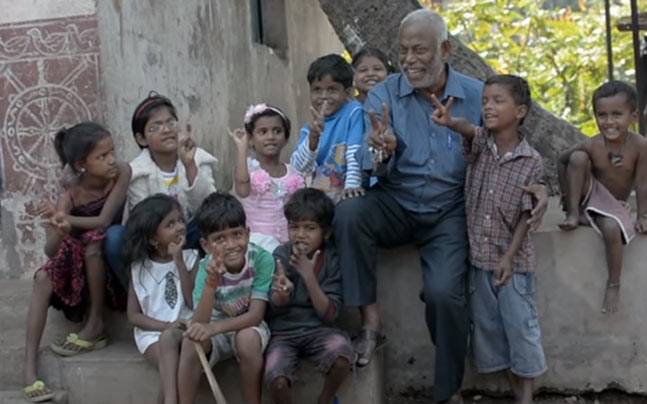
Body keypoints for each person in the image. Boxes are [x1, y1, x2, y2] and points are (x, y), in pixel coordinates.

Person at [334, 10, 548, 403]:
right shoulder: (384, 95)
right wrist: (385, 151)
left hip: (449, 211)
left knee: (444, 294)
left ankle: (447, 391)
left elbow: (515, 145)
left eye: (420, 50)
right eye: (403, 51)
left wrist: (539, 185)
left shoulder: (476, 94)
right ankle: (369, 323)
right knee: (349, 214)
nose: (409, 60)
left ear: (445, 49)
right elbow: (371, 162)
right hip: (396, 200)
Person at [432, 74, 547, 404]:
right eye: (485, 101)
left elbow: (527, 214)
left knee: (521, 331)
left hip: (512, 265)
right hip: (479, 261)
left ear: (521, 110)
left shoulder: (530, 160)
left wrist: (509, 257)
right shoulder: (483, 144)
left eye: (498, 101)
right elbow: (470, 129)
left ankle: (525, 399)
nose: (488, 106)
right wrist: (451, 122)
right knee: (492, 333)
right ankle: (516, 394)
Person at [23, 122, 129, 402]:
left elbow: (104, 221)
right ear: (82, 164)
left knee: (94, 241)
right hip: (75, 266)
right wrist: (59, 228)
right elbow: (50, 250)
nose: (111, 161)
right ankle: (29, 370)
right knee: (43, 277)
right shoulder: (69, 194)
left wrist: (66, 220)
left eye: (112, 152)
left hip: (107, 263)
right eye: (102, 156)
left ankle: (95, 324)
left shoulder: (121, 173)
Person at [104, 92, 217, 287]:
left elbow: (211, 207)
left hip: (190, 236)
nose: (166, 130)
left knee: (211, 219)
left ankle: (205, 286)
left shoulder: (198, 158)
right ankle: (141, 293)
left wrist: (190, 166)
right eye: (156, 127)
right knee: (114, 237)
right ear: (141, 139)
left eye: (171, 123)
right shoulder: (136, 173)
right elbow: (144, 221)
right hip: (153, 242)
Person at [558, 80, 647, 314]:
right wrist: (568, 201)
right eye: (602, 115)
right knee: (577, 158)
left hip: (614, 205)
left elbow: (642, 182)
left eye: (617, 114)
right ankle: (574, 215)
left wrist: (643, 215)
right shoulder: (593, 144)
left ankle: (613, 284)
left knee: (610, 228)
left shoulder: (640, 146)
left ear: (634, 116)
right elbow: (562, 160)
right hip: (590, 198)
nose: (608, 122)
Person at [178, 192, 274, 404]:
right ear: (205, 245)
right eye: (219, 239)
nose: (231, 245)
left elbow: (256, 315)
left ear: (247, 234)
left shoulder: (262, 259)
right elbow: (200, 322)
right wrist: (212, 283)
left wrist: (213, 329)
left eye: (236, 234)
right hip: (216, 333)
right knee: (191, 343)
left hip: (249, 328)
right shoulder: (205, 268)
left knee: (247, 339)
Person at [264, 188, 354, 404]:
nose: (300, 234)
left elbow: (330, 314)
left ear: (326, 232)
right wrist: (282, 294)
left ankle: (324, 400)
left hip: (319, 330)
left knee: (342, 355)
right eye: (294, 227)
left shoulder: (331, 258)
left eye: (309, 228)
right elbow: (273, 307)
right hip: (283, 334)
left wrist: (309, 277)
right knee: (276, 378)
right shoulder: (281, 255)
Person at [123, 194, 199, 404]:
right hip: (151, 334)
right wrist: (166, 326)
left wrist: (179, 261)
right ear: (153, 238)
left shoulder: (192, 258)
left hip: (184, 332)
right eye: (170, 224)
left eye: (180, 220)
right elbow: (134, 316)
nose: (180, 227)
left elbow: (192, 301)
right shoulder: (139, 268)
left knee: (175, 361)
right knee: (171, 368)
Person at [229, 103, 305, 252]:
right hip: (257, 245)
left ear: (286, 138)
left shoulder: (294, 173)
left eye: (277, 131)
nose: (271, 137)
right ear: (251, 139)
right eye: (263, 132)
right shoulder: (247, 170)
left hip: (287, 243)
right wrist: (242, 149)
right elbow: (242, 189)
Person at [290, 54, 365, 203]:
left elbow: (354, 153)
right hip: (321, 198)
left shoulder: (353, 112)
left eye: (332, 90)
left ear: (348, 92)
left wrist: (351, 187)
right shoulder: (309, 129)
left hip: (347, 191)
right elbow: (298, 168)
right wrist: (312, 141)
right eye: (317, 90)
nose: (324, 96)